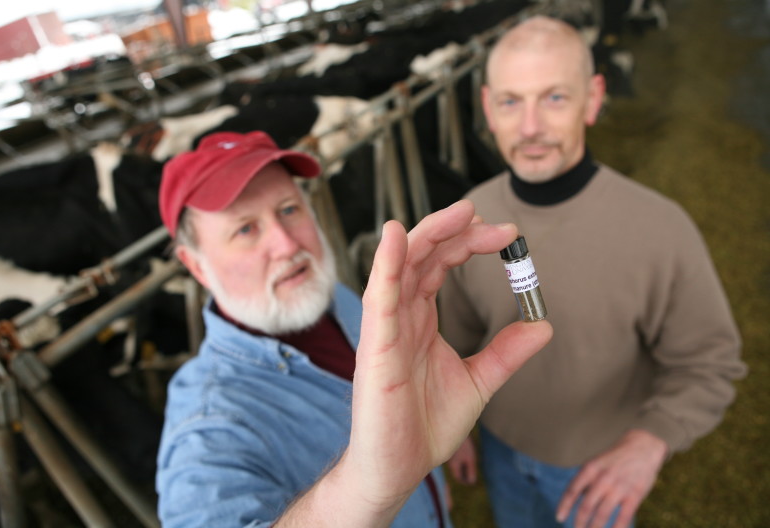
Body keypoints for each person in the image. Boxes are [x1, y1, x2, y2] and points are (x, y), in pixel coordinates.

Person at [154, 130, 553, 527]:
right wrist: (369, 486)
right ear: (195, 265)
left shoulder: (334, 298)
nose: (287, 244)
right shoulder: (208, 426)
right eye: (246, 229)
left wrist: (436, 454)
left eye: (289, 209)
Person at [440, 15, 746, 528]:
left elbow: (710, 365)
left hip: (595, 465)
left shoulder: (660, 228)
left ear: (595, 97)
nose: (531, 126)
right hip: (500, 448)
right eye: (512, 102)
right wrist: (458, 426)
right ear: (489, 108)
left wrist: (650, 441)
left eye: (554, 97)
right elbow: (459, 335)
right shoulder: (471, 218)